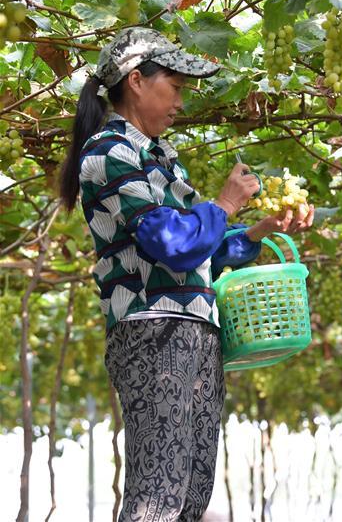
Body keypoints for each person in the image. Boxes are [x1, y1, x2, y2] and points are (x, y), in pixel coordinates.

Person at [58, 28, 315, 522]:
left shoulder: (162, 159)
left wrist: (258, 230)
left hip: (194, 330)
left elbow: (202, 252)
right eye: (174, 87)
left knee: (191, 495)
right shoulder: (110, 153)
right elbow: (172, 245)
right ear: (136, 81)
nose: (181, 102)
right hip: (152, 330)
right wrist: (225, 203)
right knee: (158, 495)